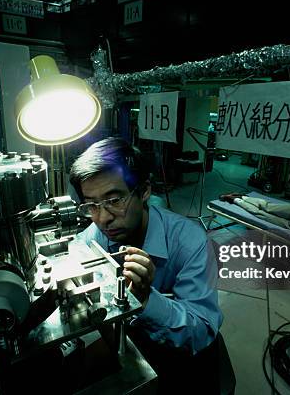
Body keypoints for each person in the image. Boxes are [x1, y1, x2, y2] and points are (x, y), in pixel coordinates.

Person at [70, 137, 224, 392]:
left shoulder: (190, 242)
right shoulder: (94, 235)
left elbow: (202, 330)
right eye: (92, 205)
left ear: (144, 191)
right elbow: (76, 250)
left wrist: (146, 300)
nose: (103, 218)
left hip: (179, 359)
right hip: (128, 347)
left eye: (115, 200)